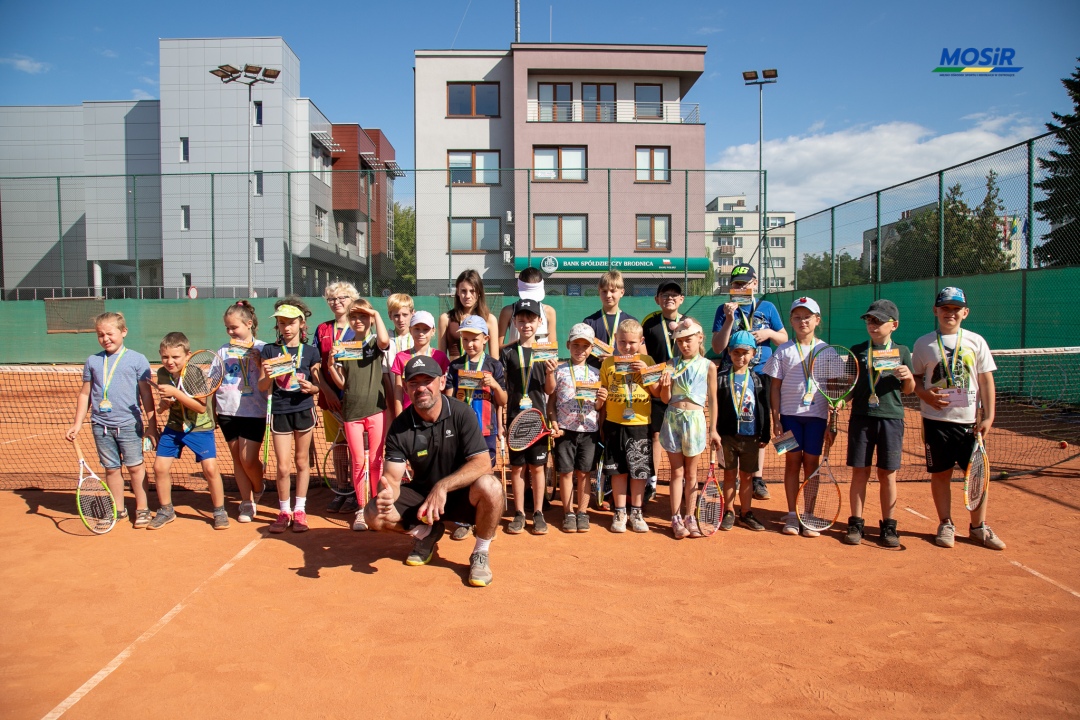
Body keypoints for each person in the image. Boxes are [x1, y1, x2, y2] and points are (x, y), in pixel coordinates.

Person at [364, 355, 504, 588]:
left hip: (462, 495)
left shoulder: (462, 413)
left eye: (427, 380)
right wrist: (387, 492)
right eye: (413, 382)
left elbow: (483, 464)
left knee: (492, 486)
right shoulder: (399, 427)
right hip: (422, 498)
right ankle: (426, 533)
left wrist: (443, 486)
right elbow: (391, 478)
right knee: (373, 514)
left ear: (441, 382)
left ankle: (480, 552)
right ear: (406, 388)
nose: (421, 388)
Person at [911, 287, 1005, 550]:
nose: (950, 313)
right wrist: (925, 396)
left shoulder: (976, 341)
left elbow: (986, 379)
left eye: (955, 309)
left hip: (970, 424)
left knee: (976, 476)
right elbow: (915, 379)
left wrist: (989, 415)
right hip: (935, 422)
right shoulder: (923, 343)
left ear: (965, 312)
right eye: (945, 308)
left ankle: (978, 528)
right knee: (940, 475)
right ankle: (946, 523)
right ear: (935, 311)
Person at [65, 312, 159, 528]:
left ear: (123, 332)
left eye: (110, 333)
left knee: (136, 468)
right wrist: (77, 423)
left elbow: (146, 395)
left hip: (129, 425)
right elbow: (85, 394)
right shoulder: (93, 361)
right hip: (101, 426)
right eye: (100, 334)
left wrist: (151, 426)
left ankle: (142, 508)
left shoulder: (137, 359)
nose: (105, 338)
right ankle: (118, 509)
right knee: (111, 469)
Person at [711, 264, 787, 502]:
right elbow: (717, 347)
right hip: (731, 376)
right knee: (729, 426)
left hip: (760, 376)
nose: (740, 287)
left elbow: (784, 337)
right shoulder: (723, 310)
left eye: (744, 283)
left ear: (755, 283)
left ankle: (757, 478)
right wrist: (729, 320)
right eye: (736, 284)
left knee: (758, 426)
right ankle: (728, 476)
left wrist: (769, 335)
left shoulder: (767, 307)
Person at [844, 300, 916, 548]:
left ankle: (889, 526)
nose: (872, 325)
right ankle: (855, 523)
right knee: (860, 472)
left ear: (893, 325)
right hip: (861, 419)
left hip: (891, 418)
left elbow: (908, 391)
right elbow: (849, 388)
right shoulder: (857, 351)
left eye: (878, 321)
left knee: (887, 474)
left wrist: (908, 377)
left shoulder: (903, 352)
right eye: (869, 320)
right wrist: (840, 401)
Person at [763, 297, 829, 537]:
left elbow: (836, 387)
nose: (803, 321)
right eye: (798, 317)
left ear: (817, 320)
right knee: (791, 463)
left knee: (811, 465)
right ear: (791, 321)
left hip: (817, 418)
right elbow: (774, 387)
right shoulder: (783, 350)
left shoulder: (826, 351)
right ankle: (792, 515)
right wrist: (776, 418)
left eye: (808, 317)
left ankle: (808, 515)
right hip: (789, 418)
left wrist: (835, 410)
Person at [148, 332, 228, 530]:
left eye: (175, 357)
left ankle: (219, 510)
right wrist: (164, 404)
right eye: (165, 357)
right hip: (174, 426)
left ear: (188, 355)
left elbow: (201, 406)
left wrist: (175, 393)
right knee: (159, 468)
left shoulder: (194, 373)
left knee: (210, 469)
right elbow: (163, 405)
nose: (170, 361)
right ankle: (166, 510)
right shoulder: (162, 374)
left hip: (200, 427)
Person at [326, 299, 391, 531]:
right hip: (352, 412)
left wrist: (374, 312)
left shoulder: (374, 343)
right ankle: (362, 509)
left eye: (363, 316)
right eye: (354, 316)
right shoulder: (344, 346)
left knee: (376, 461)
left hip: (376, 410)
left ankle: (374, 505)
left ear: (371, 319)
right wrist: (332, 365)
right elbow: (344, 384)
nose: (359, 320)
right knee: (358, 462)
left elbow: (384, 340)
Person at [258, 299, 322, 534]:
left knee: (302, 461)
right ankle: (284, 511)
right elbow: (263, 386)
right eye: (281, 323)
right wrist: (268, 376)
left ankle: (300, 510)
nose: (285, 328)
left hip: (304, 410)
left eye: (290, 323)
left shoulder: (312, 352)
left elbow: (317, 386)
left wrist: (312, 388)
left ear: (301, 324)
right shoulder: (269, 350)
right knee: (283, 467)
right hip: (280, 411)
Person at [443, 314, 507, 540]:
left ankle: (484, 520)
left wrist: (495, 385)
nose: (470, 344)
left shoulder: (494, 365)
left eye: (474, 339)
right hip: (462, 432)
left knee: (485, 475)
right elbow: (449, 400)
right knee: (463, 472)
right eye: (465, 339)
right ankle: (463, 520)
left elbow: (503, 400)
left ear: (486, 339)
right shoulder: (455, 366)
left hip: (487, 430)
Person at [657, 318, 720, 539]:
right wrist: (665, 386)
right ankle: (675, 518)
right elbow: (665, 399)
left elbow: (712, 399)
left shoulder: (709, 366)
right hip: (672, 418)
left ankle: (690, 516)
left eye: (688, 340)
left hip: (695, 421)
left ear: (700, 338)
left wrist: (713, 429)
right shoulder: (671, 364)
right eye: (680, 341)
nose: (684, 345)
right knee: (676, 472)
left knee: (692, 473)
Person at [501, 299, 558, 535]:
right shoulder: (507, 353)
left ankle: (538, 512)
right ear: (514, 322)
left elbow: (549, 390)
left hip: (538, 421)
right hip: (515, 420)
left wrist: (551, 373)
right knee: (517, 469)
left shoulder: (546, 352)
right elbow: (503, 390)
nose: (526, 324)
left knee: (537, 468)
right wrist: (502, 421)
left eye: (531, 320)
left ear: (539, 322)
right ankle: (519, 513)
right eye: (521, 320)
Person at [599, 318, 661, 533]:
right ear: (616, 340)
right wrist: (602, 423)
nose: (627, 347)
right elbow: (603, 393)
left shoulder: (648, 360)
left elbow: (657, 393)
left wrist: (646, 371)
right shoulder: (608, 364)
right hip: (614, 424)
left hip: (640, 424)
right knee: (618, 471)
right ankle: (620, 511)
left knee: (639, 471)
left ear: (641, 341)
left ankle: (636, 511)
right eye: (623, 342)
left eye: (632, 343)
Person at [548, 323, 606, 533]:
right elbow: (551, 401)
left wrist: (601, 400)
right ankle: (568, 513)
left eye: (585, 346)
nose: (580, 349)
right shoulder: (559, 371)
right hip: (564, 430)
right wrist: (553, 421)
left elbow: (599, 407)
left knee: (583, 474)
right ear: (568, 345)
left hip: (588, 431)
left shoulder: (596, 374)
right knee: (565, 473)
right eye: (576, 345)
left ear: (591, 349)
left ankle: (582, 512)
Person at [215, 300, 267, 523]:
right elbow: (214, 380)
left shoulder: (264, 348)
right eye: (227, 328)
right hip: (226, 410)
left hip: (254, 411)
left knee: (248, 459)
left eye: (234, 327)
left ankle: (259, 485)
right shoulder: (223, 350)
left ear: (249, 324)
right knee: (237, 459)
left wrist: (259, 361)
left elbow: (269, 380)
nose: (230, 332)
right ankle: (246, 502)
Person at [715, 330, 772, 532]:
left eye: (745, 352)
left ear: (754, 353)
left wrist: (765, 433)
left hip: (751, 436)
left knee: (747, 476)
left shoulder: (759, 379)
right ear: (729, 353)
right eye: (736, 352)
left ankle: (746, 512)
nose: (741, 357)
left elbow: (764, 407)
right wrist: (716, 432)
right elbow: (716, 408)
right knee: (730, 475)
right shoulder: (721, 378)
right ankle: (729, 511)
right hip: (728, 436)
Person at [314, 281, 359, 514]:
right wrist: (327, 391)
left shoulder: (360, 327)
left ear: (352, 299)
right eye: (332, 299)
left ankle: (355, 492)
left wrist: (347, 394)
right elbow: (315, 366)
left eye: (342, 297)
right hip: (329, 401)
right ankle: (342, 489)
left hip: (354, 400)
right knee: (339, 446)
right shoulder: (322, 329)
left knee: (356, 447)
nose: (336, 302)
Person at [641, 281, 689, 502]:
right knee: (657, 435)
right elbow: (645, 356)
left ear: (681, 299)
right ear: (657, 299)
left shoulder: (689, 323)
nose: (670, 297)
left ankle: (684, 480)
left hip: (683, 390)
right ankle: (652, 481)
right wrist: (654, 381)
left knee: (681, 436)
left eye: (675, 294)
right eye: (665, 294)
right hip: (658, 388)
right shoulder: (649, 323)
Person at [390, 310, 450, 417]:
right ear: (410, 330)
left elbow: (445, 388)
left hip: (434, 413)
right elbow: (398, 390)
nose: (421, 333)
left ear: (433, 331)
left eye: (426, 329)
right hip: (409, 414)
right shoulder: (400, 357)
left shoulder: (440, 357)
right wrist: (399, 417)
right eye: (417, 329)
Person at [438, 269, 499, 360]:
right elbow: (441, 358)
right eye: (463, 291)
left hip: (479, 372)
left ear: (479, 292)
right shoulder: (446, 318)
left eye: (472, 291)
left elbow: (494, 359)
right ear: (457, 292)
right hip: (454, 373)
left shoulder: (490, 319)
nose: (467, 296)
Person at [582, 269, 636, 369]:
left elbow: (641, 355)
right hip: (595, 377)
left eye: (613, 291)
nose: (608, 295)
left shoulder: (631, 322)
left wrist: (615, 360)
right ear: (599, 292)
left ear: (622, 292)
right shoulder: (589, 322)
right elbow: (581, 353)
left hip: (621, 379)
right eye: (604, 291)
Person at [498, 267, 558, 346]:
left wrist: (541, 353)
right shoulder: (508, 311)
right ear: (517, 286)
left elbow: (552, 347)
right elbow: (497, 347)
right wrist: (520, 347)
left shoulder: (549, 311)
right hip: (516, 358)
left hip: (542, 358)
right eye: (522, 321)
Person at [383, 293, 415, 427]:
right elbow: (384, 373)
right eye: (396, 315)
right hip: (390, 397)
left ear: (412, 313)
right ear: (390, 316)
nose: (401, 319)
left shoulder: (418, 338)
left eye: (405, 314)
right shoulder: (385, 339)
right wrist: (392, 404)